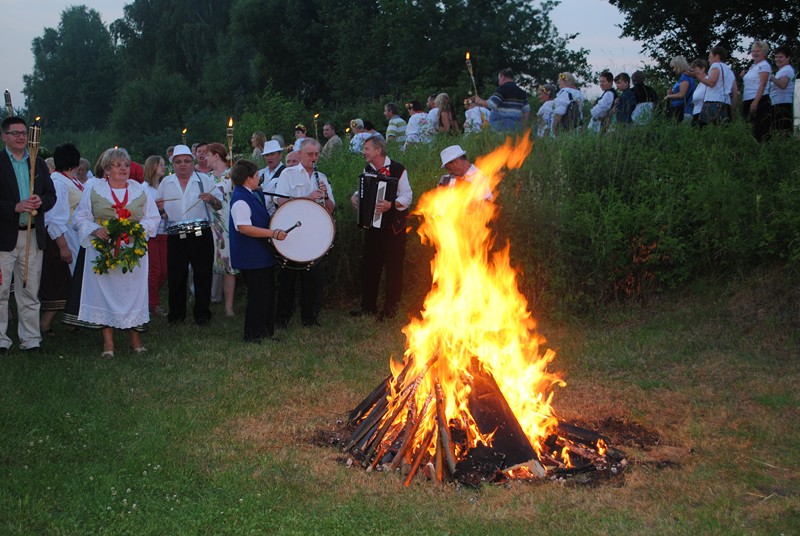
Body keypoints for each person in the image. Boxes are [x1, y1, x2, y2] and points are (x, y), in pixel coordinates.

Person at [64, 148, 159, 357]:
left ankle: (136, 341)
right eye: (117, 165)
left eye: (126, 165)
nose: (123, 169)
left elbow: (153, 218)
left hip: (132, 251)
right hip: (102, 250)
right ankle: (108, 344)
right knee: (104, 295)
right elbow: (80, 217)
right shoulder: (93, 187)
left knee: (133, 294)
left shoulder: (139, 189)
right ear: (106, 169)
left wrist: (137, 229)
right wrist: (94, 229)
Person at [0, 117, 56, 353]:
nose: (21, 137)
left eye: (24, 133)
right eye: (15, 133)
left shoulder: (38, 164)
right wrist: (14, 207)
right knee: (1, 291)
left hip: (32, 236)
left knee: (30, 290)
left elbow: (51, 196)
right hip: (4, 237)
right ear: (4, 136)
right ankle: (1, 340)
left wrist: (40, 201)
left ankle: (31, 339)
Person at [156, 144, 223, 325]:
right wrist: (160, 209)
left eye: (186, 161)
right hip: (176, 235)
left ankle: (202, 314)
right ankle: (176, 315)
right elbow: (160, 212)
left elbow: (219, 205)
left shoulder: (204, 180)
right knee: (176, 275)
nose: (183, 165)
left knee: (203, 274)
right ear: (173, 164)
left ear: (192, 162)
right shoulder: (166, 183)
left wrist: (212, 199)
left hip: (201, 234)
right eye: (178, 162)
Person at [349, 136, 412, 320]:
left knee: (393, 268)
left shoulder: (398, 169)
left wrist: (391, 204)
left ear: (378, 150)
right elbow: (364, 188)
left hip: (394, 228)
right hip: (374, 226)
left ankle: (390, 309)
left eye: (367, 148)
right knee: (370, 266)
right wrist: (355, 196)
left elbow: (407, 196)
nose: (363, 152)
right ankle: (368, 306)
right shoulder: (368, 169)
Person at [274, 138, 335, 327]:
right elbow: (280, 202)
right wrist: (307, 198)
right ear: (300, 154)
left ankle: (310, 317)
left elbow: (331, 208)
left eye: (317, 154)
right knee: (287, 277)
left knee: (313, 277)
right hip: (292, 232)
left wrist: (325, 197)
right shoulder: (288, 174)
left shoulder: (321, 177)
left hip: (314, 233)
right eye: (310, 154)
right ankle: (283, 317)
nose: (314, 158)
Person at [229, 159, 287, 342]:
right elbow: (244, 228)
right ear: (248, 178)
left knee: (267, 294)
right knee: (258, 296)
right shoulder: (240, 200)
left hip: (260, 254)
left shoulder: (250, 194)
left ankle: (266, 332)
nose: (258, 178)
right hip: (251, 255)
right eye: (256, 175)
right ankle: (252, 335)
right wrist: (273, 233)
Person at [40, 143, 81, 334]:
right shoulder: (58, 182)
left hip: (72, 235)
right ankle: (45, 324)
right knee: (60, 281)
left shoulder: (69, 180)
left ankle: (73, 320)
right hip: (60, 238)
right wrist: (63, 246)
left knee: (72, 280)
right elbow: (53, 218)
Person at [206, 142, 237, 317]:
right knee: (207, 263)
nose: (205, 158)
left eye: (208, 155)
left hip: (226, 225)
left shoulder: (231, 175)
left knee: (228, 266)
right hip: (210, 225)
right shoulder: (207, 178)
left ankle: (229, 307)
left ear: (216, 156)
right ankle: (209, 298)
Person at [142, 155, 168, 317]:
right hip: (151, 234)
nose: (164, 167)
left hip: (165, 232)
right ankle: (153, 303)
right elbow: (142, 212)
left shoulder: (165, 187)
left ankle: (146, 296)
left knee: (165, 271)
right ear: (152, 167)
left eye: (164, 165)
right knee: (155, 270)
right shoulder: (144, 189)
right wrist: (159, 210)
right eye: (160, 165)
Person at [693, 46, 739, 126]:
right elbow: (735, 92)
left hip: (713, 104)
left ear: (717, 57)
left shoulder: (716, 66)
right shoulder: (730, 71)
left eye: (710, 57)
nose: (709, 59)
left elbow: (711, 82)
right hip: (726, 104)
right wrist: (732, 109)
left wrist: (697, 76)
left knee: (706, 129)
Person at [740, 41, 772, 142]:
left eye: (758, 51)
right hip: (748, 98)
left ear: (764, 52)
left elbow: (762, 84)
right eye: (753, 51)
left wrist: (755, 102)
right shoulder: (753, 66)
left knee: (760, 128)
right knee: (749, 127)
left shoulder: (764, 65)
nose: (755, 53)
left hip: (759, 99)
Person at [769, 46, 796, 135]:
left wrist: (771, 77)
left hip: (783, 103)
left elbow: (783, 85)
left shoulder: (787, 70)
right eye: (776, 57)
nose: (777, 59)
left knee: (783, 131)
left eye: (781, 57)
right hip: (777, 103)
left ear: (788, 58)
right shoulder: (780, 71)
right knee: (777, 130)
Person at [257, 139, 287, 215]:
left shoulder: (286, 173)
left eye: (272, 154)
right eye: (267, 155)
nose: (269, 158)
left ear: (280, 155)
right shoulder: (260, 173)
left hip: (280, 214)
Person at [665, 56, 695, 122]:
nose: (673, 70)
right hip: (683, 109)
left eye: (674, 67)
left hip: (682, 110)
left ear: (679, 65)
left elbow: (682, 94)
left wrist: (669, 96)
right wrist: (672, 93)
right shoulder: (689, 76)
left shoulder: (685, 77)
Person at [689, 59, 709, 127]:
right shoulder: (700, 84)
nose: (694, 71)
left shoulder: (708, 81)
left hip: (704, 114)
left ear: (703, 69)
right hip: (696, 114)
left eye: (695, 69)